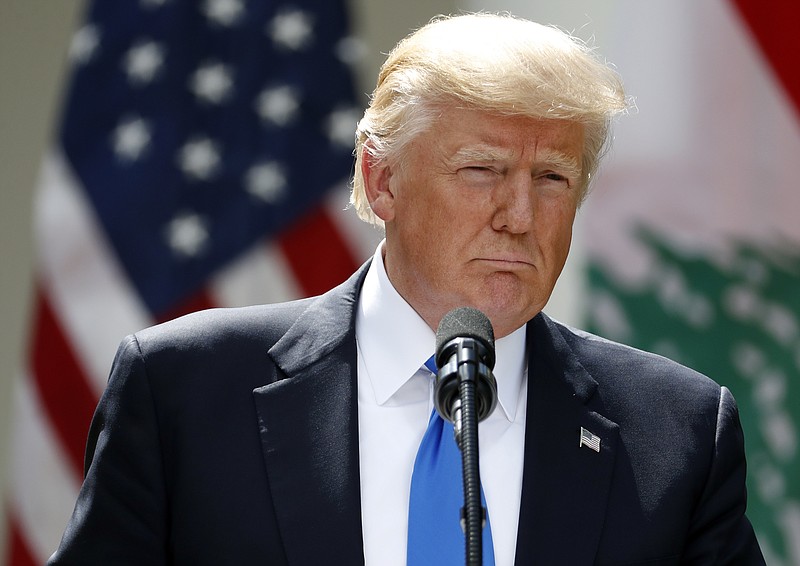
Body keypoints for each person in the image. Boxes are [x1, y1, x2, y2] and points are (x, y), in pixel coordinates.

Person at [49, 12, 764, 565]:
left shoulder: (677, 433)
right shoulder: (184, 392)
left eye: (552, 178)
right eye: (482, 170)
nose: (520, 217)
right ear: (381, 179)